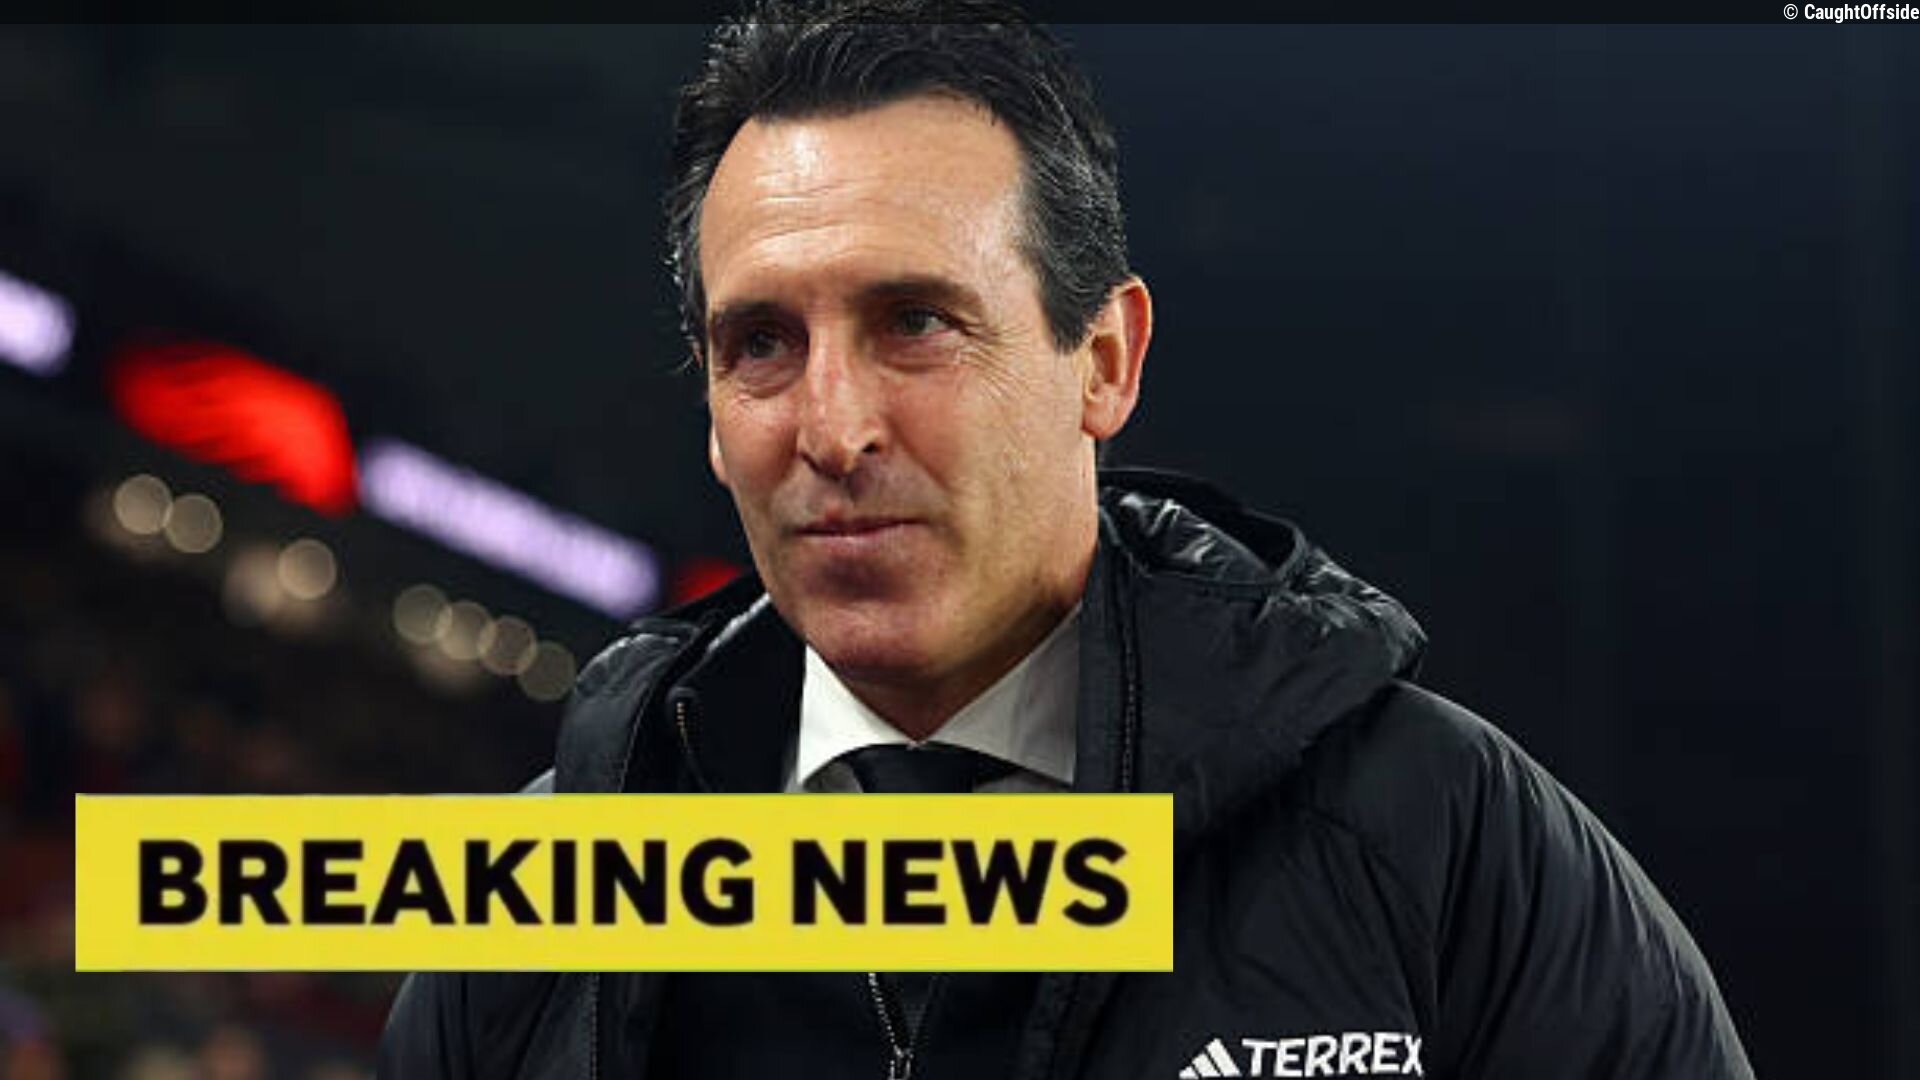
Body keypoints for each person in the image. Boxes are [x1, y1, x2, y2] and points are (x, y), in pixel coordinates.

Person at [380, 4, 1756, 1078]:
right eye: (762, 343)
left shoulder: (1436, 837)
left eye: (916, 322)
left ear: (1104, 360)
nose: (834, 427)